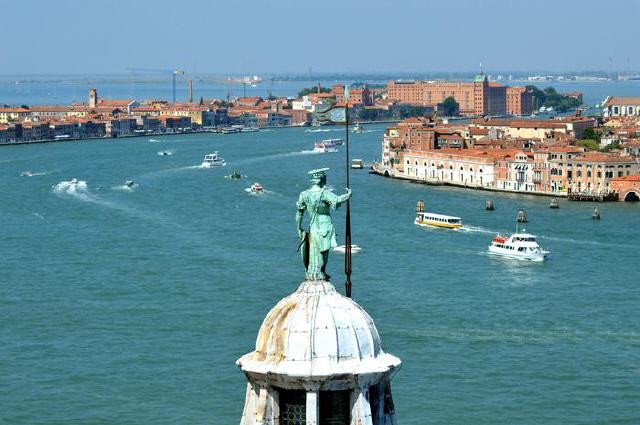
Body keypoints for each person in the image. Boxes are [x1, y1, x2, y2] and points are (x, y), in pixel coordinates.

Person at [296, 168, 351, 281]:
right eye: (325, 178)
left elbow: (299, 213)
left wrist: (298, 228)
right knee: (323, 250)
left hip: (313, 226)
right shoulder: (325, 194)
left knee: (314, 249)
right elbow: (338, 199)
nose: (326, 180)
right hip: (325, 224)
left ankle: (313, 272)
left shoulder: (304, 194)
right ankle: (320, 272)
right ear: (321, 179)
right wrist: (349, 194)